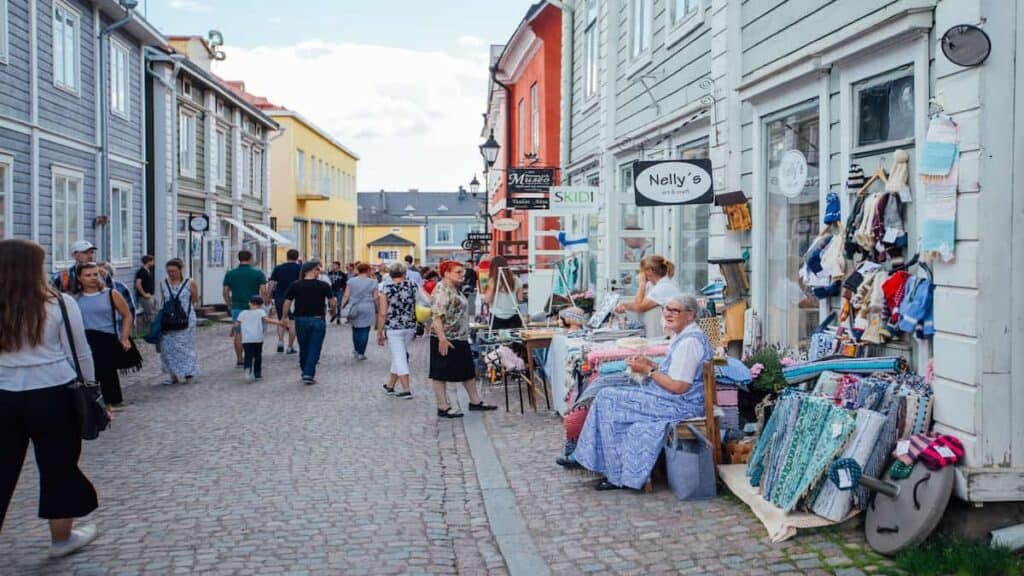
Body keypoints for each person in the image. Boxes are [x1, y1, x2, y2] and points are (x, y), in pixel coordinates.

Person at [0, 239, 101, 558]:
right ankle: (62, 539)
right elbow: (80, 352)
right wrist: (92, 388)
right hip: (54, 394)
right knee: (59, 466)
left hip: (3, 395)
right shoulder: (59, 303)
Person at [571, 294, 712, 490]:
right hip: (671, 398)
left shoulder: (689, 342)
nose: (668, 314)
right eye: (666, 309)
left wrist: (649, 371)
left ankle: (610, 470)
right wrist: (648, 364)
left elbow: (679, 387)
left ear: (690, 315)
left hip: (680, 405)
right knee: (608, 393)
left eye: (675, 310)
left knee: (607, 398)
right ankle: (599, 462)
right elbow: (673, 373)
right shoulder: (683, 336)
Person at [429, 261, 497, 418]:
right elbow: (436, 316)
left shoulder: (454, 289)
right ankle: (443, 406)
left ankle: (475, 401)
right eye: (458, 272)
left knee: (467, 371)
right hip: (447, 338)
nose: (462, 275)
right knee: (440, 373)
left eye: (463, 272)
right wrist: (442, 339)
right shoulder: (442, 290)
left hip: (459, 336)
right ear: (446, 273)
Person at [74, 263, 134, 409]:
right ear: (79, 278)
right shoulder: (75, 298)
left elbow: (127, 315)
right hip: (84, 338)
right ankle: (92, 402)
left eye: (95, 274)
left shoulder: (110, 294)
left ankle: (110, 403)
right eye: (88, 275)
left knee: (106, 372)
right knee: (87, 372)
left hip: (106, 337)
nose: (93, 278)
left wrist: (124, 337)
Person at [283, 261, 336, 385]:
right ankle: (308, 373)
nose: (319, 272)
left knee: (304, 346)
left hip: (300, 319)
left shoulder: (295, 285)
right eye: (318, 269)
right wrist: (333, 311)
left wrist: (284, 316)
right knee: (315, 347)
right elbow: (332, 301)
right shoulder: (323, 285)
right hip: (317, 319)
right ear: (312, 270)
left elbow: (287, 302)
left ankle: (305, 370)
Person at [376, 262, 418, 399]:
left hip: (394, 327)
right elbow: (424, 300)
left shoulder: (385, 288)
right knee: (399, 353)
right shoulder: (412, 285)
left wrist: (379, 331)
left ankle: (406, 389)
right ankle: (390, 386)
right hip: (410, 325)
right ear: (405, 273)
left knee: (400, 357)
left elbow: (382, 312)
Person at [614, 255, 681, 339]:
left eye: (642, 270)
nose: (640, 273)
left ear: (649, 271)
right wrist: (625, 305)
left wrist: (641, 284)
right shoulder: (653, 285)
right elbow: (638, 303)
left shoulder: (664, 286)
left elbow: (639, 307)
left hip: (668, 334)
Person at [223, 250, 268, 367]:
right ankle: (252, 355)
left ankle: (240, 359)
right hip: (254, 307)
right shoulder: (258, 273)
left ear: (239, 259)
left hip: (237, 306)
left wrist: (228, 303)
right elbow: (263, 290)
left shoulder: (230, 274)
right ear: (251, 258)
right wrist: (263, 304)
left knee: (238, 334)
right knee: (255, 332)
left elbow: (225, 291)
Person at [159, 259, 199, 385]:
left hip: (186, 319)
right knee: (167, 347)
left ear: (181, 270)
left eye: (174, 271)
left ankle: (189, 373)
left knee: (185, 347)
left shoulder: (189, 283)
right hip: (169, 320)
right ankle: (173, 375)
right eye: (169, 271)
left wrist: (181, 310)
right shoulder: (164, 283)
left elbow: (195, 299)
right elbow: (163, 300)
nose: (171, 274)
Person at [235, 295, 286, 381]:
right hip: (258, 338)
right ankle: (257, 374)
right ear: (260, 305)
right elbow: (267, 320)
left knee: (248, 355)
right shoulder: (260, 312)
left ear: (249, 303)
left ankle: (247, 369)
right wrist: (279, 323)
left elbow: (236, 324)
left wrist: (232, 330)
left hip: (246, 339)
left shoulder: (242, 313)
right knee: (258, 356)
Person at [341, 263, 378, 361]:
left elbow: (346, 295)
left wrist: (343, 306)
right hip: (368, 306)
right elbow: (375, 297)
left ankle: (356, 350)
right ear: (368, 270)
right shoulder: (373, 282)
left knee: (355, 328)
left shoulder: (351, 281)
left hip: (354, 306)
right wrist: (377, 308)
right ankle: (361, 352)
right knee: (365, 329)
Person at [268, 249, 301, 354]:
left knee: (281, 320)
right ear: (297, 257)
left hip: (280, 297)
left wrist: (269, 296)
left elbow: (271, 283)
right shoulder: (300, 268)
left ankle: (280, 342)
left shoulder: (278, 268)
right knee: (292, 322)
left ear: (287, 257)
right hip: (295, 299)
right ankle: (290, 347)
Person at [483, 255, 524, 329]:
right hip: (514, 315)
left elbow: (487, 300)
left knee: (497, 339)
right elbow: (520, 299)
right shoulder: (516, 280)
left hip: (496, 316)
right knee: (514, 339)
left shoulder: (492, 281)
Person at [134, 255, 157, 334]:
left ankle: (152, 330)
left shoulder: (148, 271)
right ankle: (147, 331)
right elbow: (138, 284)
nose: (154, 262)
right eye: (153, 261)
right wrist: (144, 294)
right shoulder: (142, 271)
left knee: (153, 313)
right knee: (148, 315)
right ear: (149, 261)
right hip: (145, 298)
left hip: (151, 295)